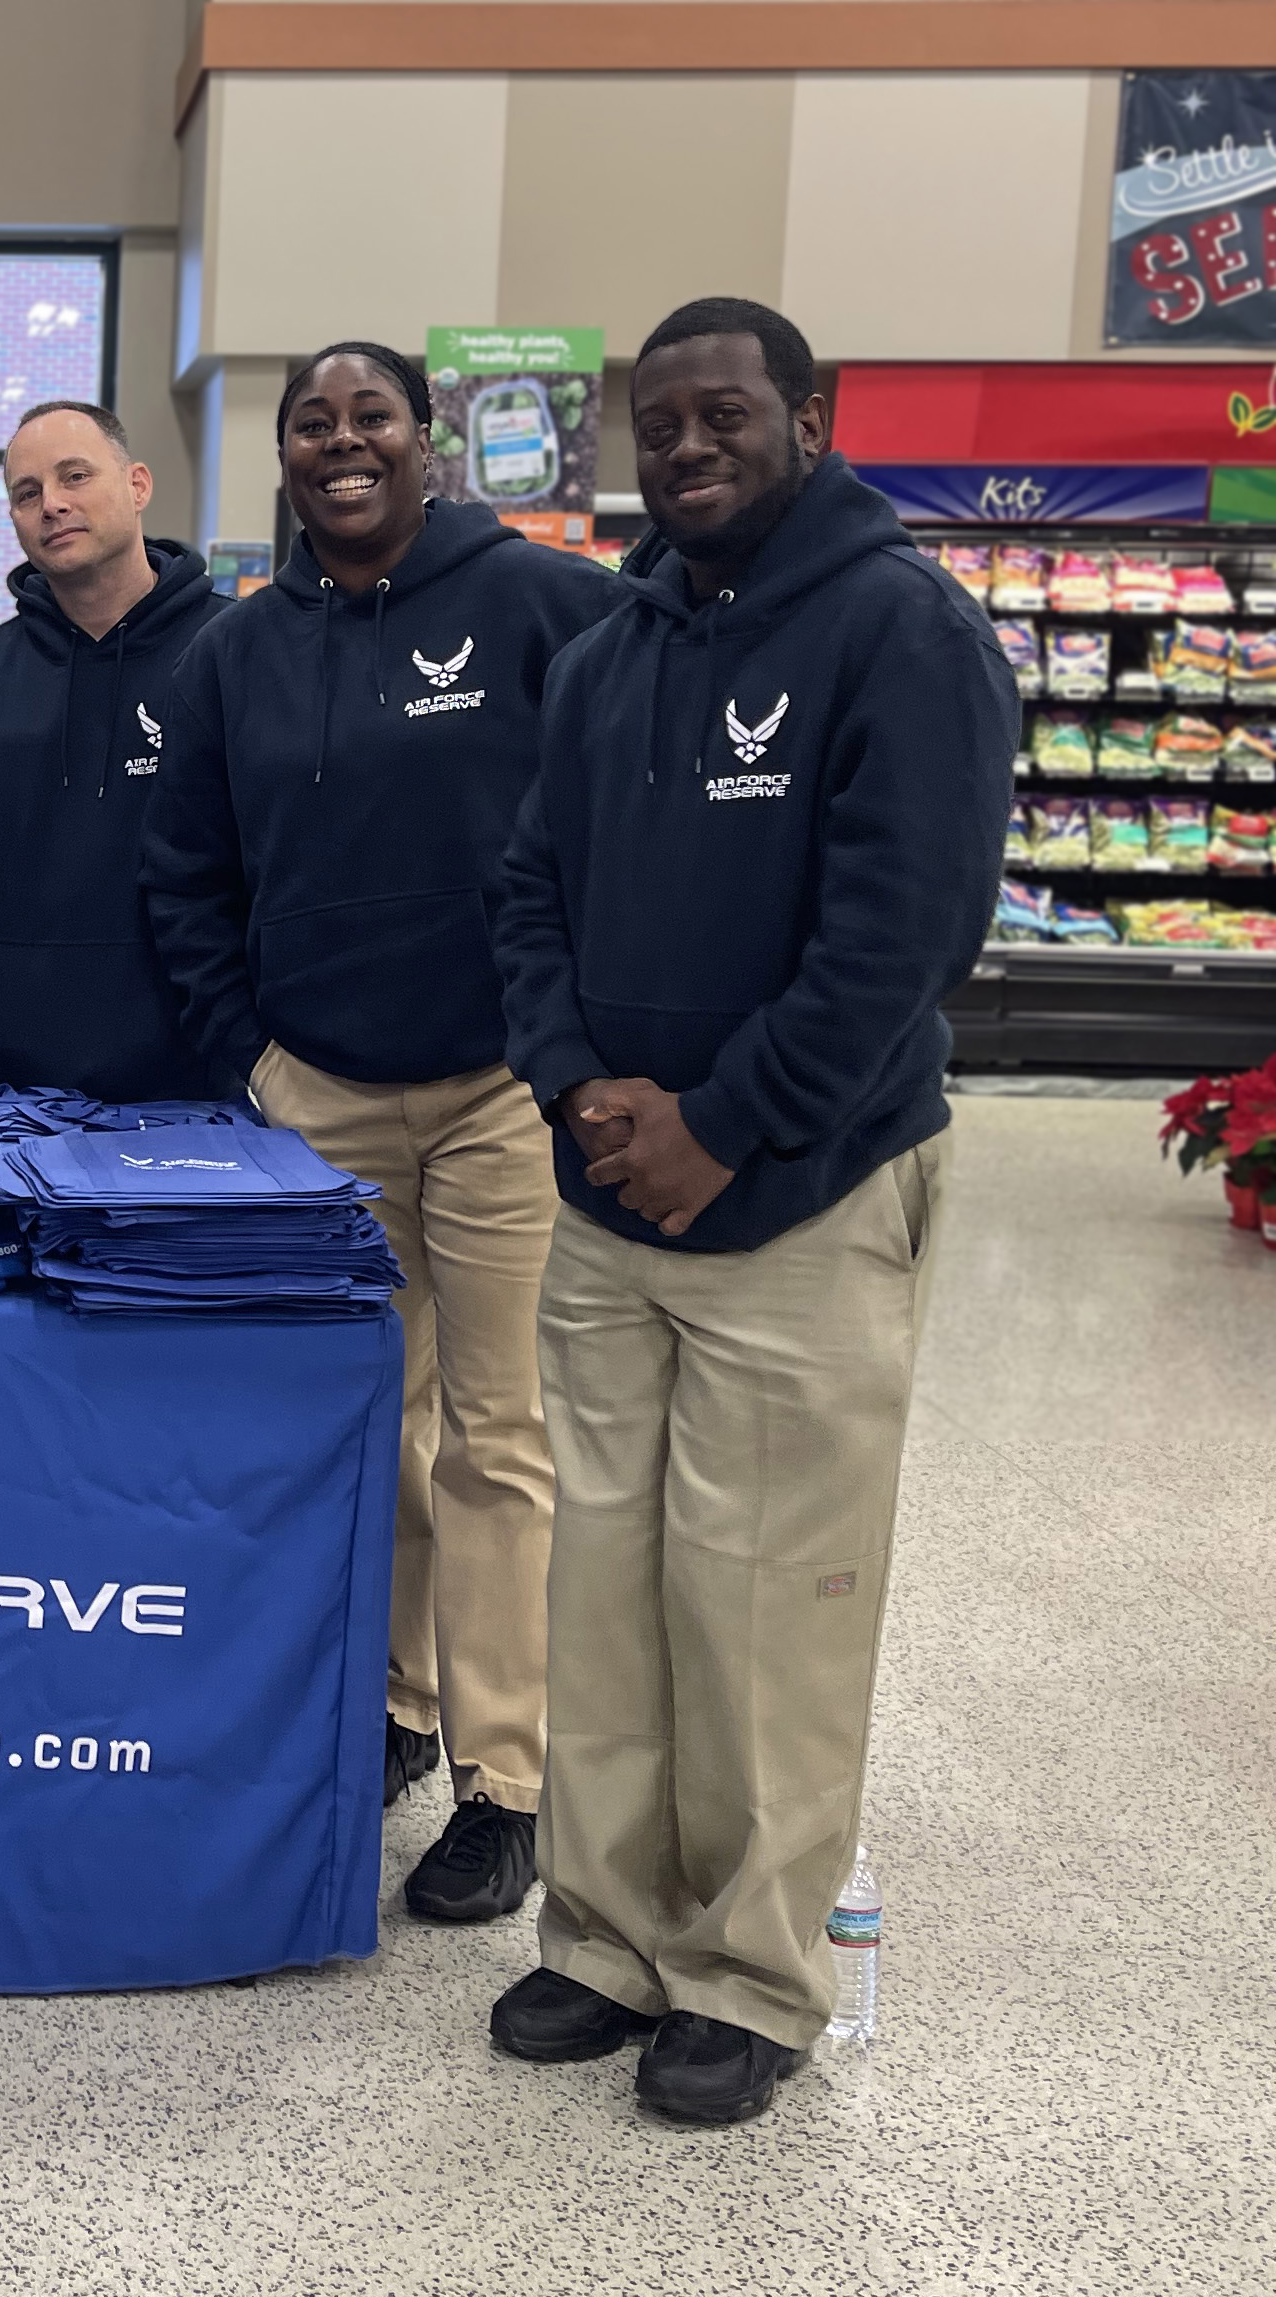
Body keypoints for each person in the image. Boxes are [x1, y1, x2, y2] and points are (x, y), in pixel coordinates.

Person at [485, 298, 1012, 2125]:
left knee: (763, 1603)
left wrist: (724, 1121)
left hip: (800, 1190)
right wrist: (569, 1086)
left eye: (722, 412)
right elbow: (526, 888)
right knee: (603, 1590)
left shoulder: (898, 630)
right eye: (659, 419)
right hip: (604, 1189)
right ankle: (602, 1935)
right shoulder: (611, 642)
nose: (687, 444)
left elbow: (901, 936)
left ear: (807, 414)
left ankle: (748, 1972)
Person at [144, 341, 622, 1924]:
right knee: (369, 1420)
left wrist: (574, 1044)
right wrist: (251, 1055)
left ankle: (510, 1777)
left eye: (370, 417)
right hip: (319, 1097)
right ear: (281, 455)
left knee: (500, 1435)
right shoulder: (240, 648)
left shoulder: (547, 608)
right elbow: (186, 867)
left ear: (426, 439)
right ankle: (402, 1703)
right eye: (311, 424)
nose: (340, 443)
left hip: (499, 1094)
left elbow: (626, 827)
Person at [0, 399, 228, 1100]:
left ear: (137, 485)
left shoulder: (233, 652)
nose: (52, 504)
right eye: (27, 493)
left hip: (204, 1083)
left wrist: (240, 1032)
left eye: (74, 476)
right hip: (14, 1084)